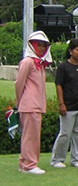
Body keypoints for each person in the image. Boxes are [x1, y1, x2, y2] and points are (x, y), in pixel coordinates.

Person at [50, 39, 78, 169]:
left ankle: (75, 159)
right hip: (68, 106)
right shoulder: (63, 67)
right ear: (71, 51)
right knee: (65, 133)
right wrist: (61, 103)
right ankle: (57, 159)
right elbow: (59, 86)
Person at [15, 31, 52, 175]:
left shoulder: (39, 63)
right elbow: (19, 83)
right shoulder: (28, 62)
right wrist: (20, 102)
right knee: (30, 136)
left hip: (36, 104)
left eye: (43, 45)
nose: (41, 48)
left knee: (32, 135)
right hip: (30, 104)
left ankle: (26, 162)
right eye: (39, 45)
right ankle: (29, 164)